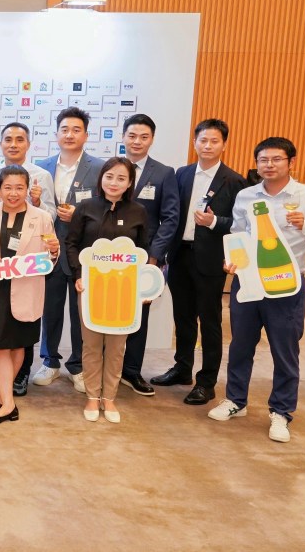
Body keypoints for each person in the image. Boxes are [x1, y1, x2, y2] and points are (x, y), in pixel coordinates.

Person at [209, 137, 305, 442]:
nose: (269, 165)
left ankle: (281, 411)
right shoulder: (246, 196)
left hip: (286, 284)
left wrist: (304, 226)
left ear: (291, 162)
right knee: (240, 345)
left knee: (285, 349)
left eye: (277, 159)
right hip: (248, 281)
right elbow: (238, 234)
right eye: (263, 160)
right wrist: (232, 261)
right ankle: (236, 400)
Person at [151, 119, 247, 405]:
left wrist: (214, 221)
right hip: (180, 254)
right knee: (182, 316)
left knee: (210, 321)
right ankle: (182, 369)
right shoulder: (182, 174)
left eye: (214, 141)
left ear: (224, 145)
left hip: (211, 259)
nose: (207, 146)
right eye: (203, 140)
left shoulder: (234, 180)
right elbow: (172, 214)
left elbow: (241, 224)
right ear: (194, 143)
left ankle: (207, 382)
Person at [0, 165, 59, 423]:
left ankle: (1, 395)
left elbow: (49, 257)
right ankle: (9, 404)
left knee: (18, 345)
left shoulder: (42, 217)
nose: (13, 193)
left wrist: (53, 250)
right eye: (8, 187)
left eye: (19, 187)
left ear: (28, 189)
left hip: (26, 288)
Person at [0, 121, 56, 393]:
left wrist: (37, 203)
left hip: (26, 265)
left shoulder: (42, 176)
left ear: (28, 144)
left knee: (21, 325)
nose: (13, 144)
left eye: (20, 139)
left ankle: (20, 374)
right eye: (8, 139)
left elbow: (50, 218)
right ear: (0, 143)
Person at [66, 157, 149, 424]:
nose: (114, 183)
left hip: (124, 291)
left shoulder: (139, 211)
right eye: (109, 176)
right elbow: (71, 243)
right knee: (91, 345)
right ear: (101, 178)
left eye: (121, 178)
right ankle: (92, 396)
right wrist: (78, 275)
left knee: (116, 346)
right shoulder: (86, 207)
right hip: (90, 288)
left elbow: (143, 251)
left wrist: (144, 285)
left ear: (130, 183)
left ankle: (109, 397)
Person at [33, 107, 104, 394]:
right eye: (64, 129)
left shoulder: (99, 168)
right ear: (56, 134)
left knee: (80, 311)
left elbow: (106, 208)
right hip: (47, 248)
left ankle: (78, 365)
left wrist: (79, 215)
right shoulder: (41, 167)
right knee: (49, 309)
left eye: (76, 130)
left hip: (83, 251)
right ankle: (49, 361)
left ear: (86, 135)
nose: (70, 135)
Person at [118, 113, 180, 397]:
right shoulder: (112, 168)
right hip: (110, 257)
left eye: (144, 137)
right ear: (123, 137)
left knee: (137, 316)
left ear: (152, 139)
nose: (137, 141)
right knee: (108, 311)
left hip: (145, 258)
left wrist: (154, 256)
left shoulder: (164, 173)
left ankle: (131, 371)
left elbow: (170, 218)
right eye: (132, 135)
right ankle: (106, 367)